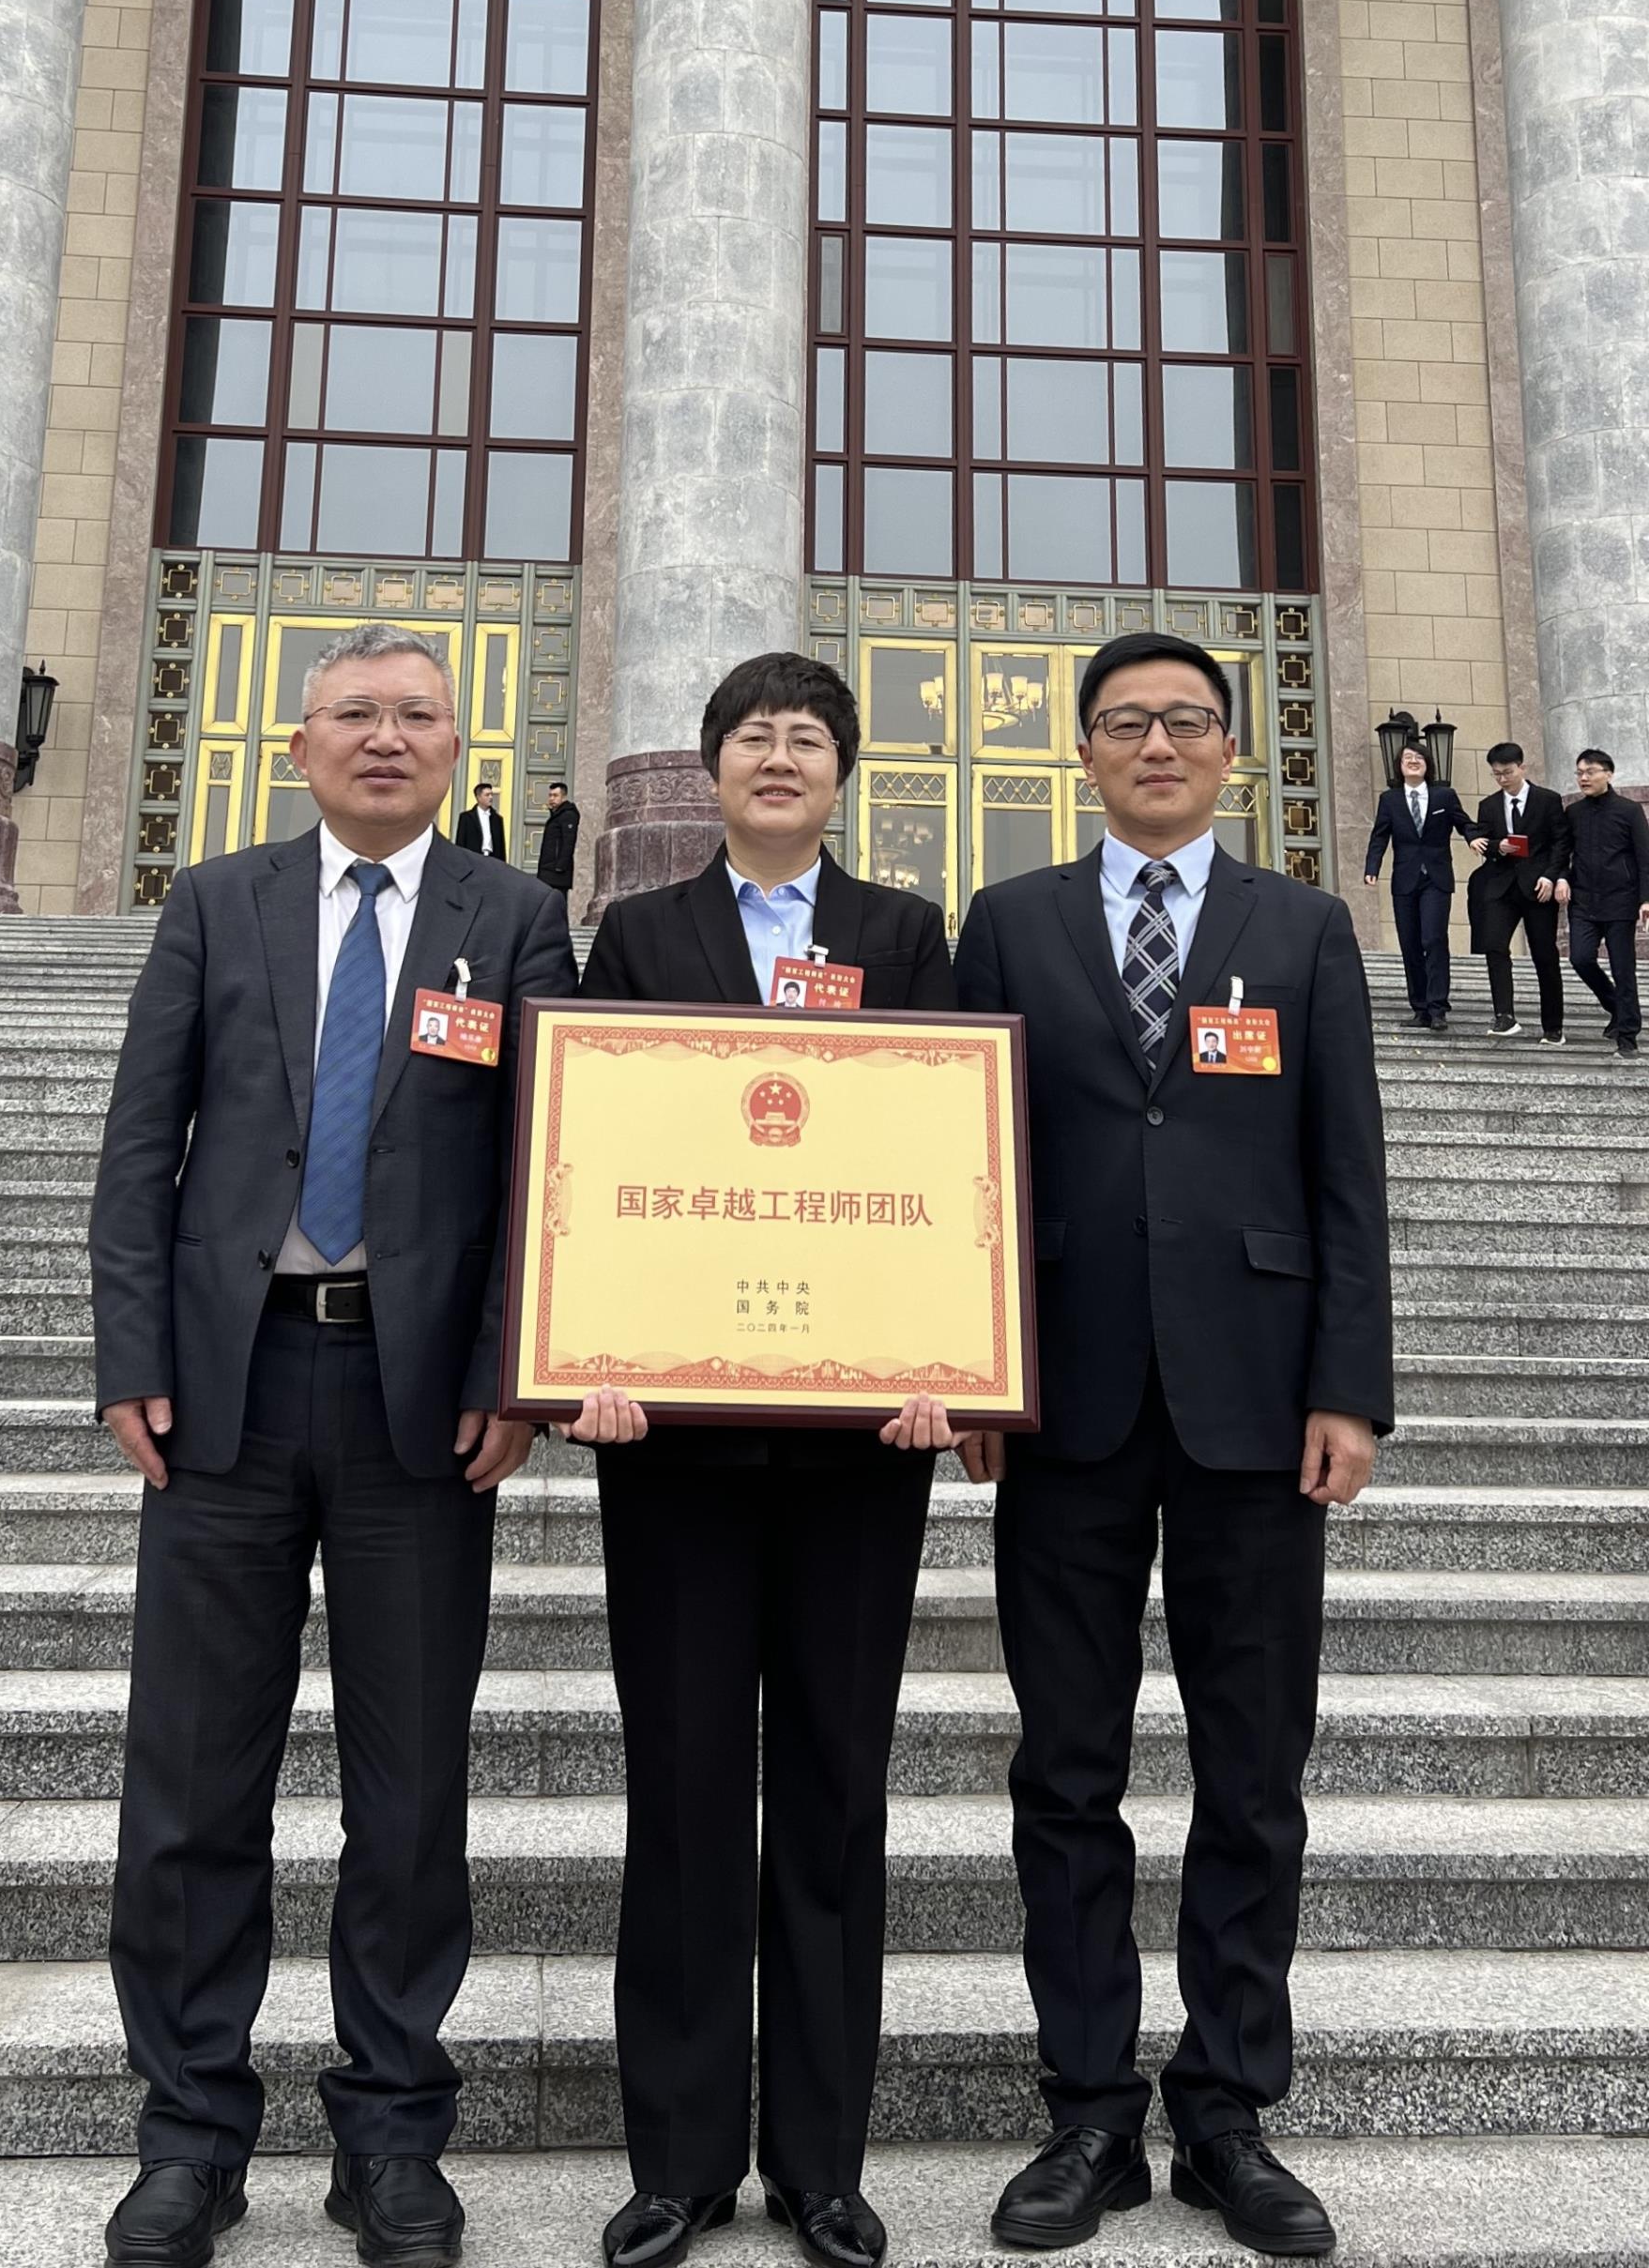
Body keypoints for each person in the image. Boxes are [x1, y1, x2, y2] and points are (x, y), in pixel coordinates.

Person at [89, 622, 577, 2268]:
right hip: (225, 1402)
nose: (385, 738)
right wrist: (131, 1358)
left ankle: (390, 2131)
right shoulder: (217, 900)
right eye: (354, 715)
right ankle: (191, 2132)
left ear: (458, 750)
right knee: (189, 1788)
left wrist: (523, 1369)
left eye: (416, 717)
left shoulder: (509, 919)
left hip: (416, 1411)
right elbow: (142, 1141)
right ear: (299, 747)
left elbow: (548, 1166)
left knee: (411, 1789)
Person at [955, 631, 1393, 2260]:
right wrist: (973, 1371)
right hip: (1062, 1405)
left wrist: (1348, 1389)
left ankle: (1225, 2111)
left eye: (1186, 723)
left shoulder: (1303, 929)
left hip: (1257, 1408)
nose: (1157, 745)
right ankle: (1086, 2113)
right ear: (1082, 752)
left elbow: (1346, 1174)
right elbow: (963, 1165)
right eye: (1127, 724)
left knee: (1251, 1771)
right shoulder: (1010, 922)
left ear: (1229, 751)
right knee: (1066, 1771)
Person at [573, 650, 956, 2268]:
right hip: (670, 1447)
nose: (779, 758)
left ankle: (821, 2161)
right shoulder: (639, 938)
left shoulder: (902, 936)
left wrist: (953, 1356)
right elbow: (590, 1160)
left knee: (830, 1796)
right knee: (679, 1796)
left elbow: (948, 1159)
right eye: (753, 736)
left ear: (842, 771)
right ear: (712, 767)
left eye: (807, 737)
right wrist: (582, 1347)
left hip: (866, 1450)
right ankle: (677, 2160)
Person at [1362, 738, 1479, 1029]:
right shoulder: (1389, 800)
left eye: (1418, 758)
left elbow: (1463, 822)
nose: (1413, 761)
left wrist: (1472, 837)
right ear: (1399, 767)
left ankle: (1438, 1008)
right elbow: (1380, 836)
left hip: (1436, 879)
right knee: (1410, 943)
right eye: (1407, 758)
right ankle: (1420, 1008)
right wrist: (1371, 867)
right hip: (1405, 879)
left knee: (1434, 938)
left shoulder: (1444, 796)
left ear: (1428, 765)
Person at [1468, 741, 1570, 1043]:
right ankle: (1504, 1015)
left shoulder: (1548, 800)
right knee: (1495, 946)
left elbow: (1561, 844)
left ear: (1521, 768)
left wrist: (1552, 877)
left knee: (1544, 954)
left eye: (1507, 772)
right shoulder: (1488, 805)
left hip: (1538, 887)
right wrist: (1496, 847)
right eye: (1496, 774)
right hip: (1501, 885)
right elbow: (1486, 842)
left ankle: (1553, 1026)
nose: (1502, 779)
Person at [1557, 747, 1649, 1059]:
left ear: (1608, 774)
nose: (1584, 777)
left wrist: (1645, 898)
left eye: (1590, 771)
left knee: (1623, 969)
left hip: (1620, 901)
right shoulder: (1574, 813)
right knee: (1580, 958)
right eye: (1579, 772)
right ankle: (1616, 1007)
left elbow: (1644, 858)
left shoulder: (1629, 810)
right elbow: (1564, 853)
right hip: (1583, 900)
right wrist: (1562, 877)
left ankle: (1627, 1037)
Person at [536, 779, 580, 893]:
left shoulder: (568, 815)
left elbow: (569, 842)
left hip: (557, 873)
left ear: (563, 797)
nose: (551, 799)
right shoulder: (556, 815)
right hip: (548, 870)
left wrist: (560, 866)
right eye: (550, 795)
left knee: (556, 903)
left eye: (555, 795)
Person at [454, 779, 505, 859]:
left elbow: (501, 847)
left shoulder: (497, 819)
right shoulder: (466, 818)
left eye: (491, 794)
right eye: (487, 795)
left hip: (492, 860)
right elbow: (460, 843)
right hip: (472, 859)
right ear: (478, 797)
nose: (491, 797)